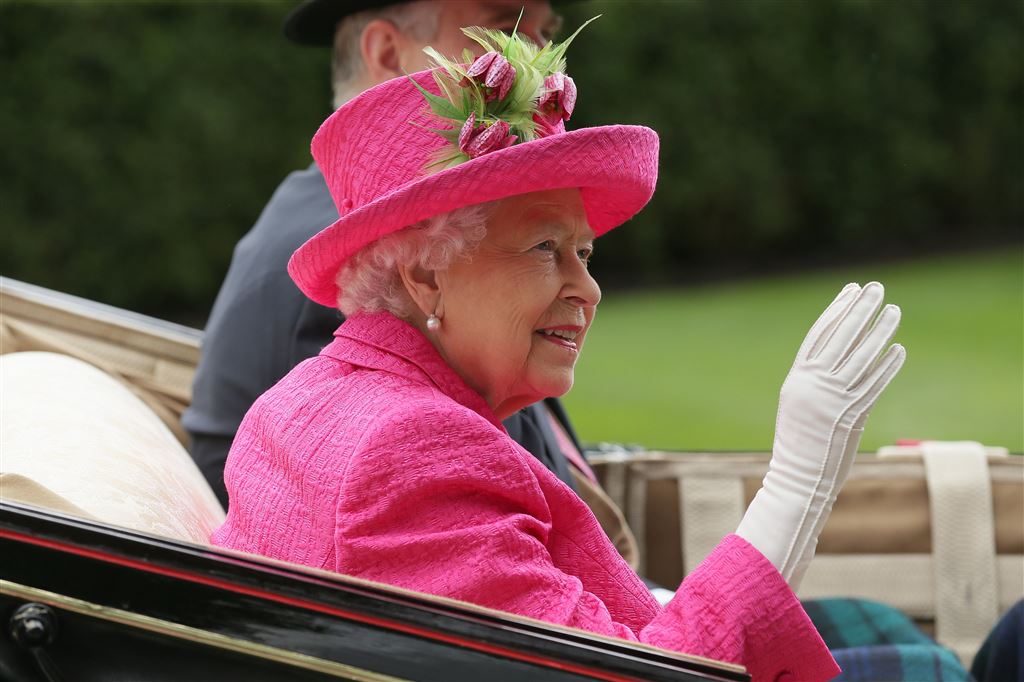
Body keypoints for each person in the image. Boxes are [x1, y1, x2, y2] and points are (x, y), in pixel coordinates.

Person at [211, 26, 906, 679]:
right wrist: (796, 487)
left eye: (584, 253)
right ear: (426, 275)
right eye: (545, 248)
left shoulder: (300, 399)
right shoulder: (411, 451)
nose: (587, 289)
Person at [182, 1, 616, 549]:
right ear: (389, 53)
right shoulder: (374, 259)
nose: (535, 59)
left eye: (542, 34)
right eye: (503, 29)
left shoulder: (365, 223)